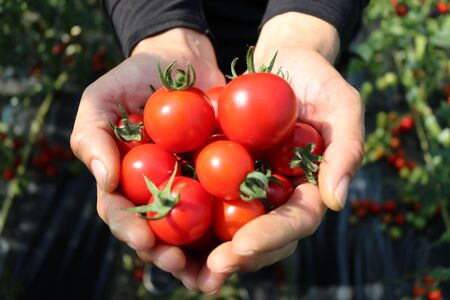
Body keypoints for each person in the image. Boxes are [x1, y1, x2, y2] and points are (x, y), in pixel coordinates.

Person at [70, 0, 367, 294]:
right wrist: (160, 29)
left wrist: (303, 34)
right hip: (190, 34)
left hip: (283, 53)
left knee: (262, 239)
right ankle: (185, 266)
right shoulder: (182, 123)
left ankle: (252, 270)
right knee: (174, 246)